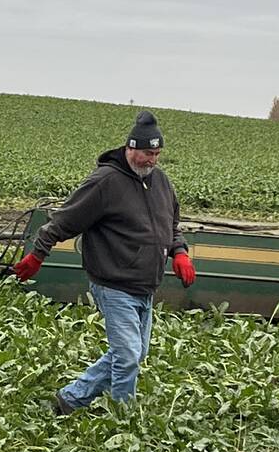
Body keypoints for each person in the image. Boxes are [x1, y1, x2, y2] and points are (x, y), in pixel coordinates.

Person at [13, 110, 195, 413]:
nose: (152, 160)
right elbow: (65, 220)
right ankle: (122, 418)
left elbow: (170, 223)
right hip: (114, 284)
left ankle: (71, 399)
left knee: (135, 354)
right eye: (147, 153)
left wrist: (179, 251)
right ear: (131, 148)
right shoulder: (105, 182)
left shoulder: (160, 182)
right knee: (127, 357)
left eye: (157, 153)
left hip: (145, 285)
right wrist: (38, 253)